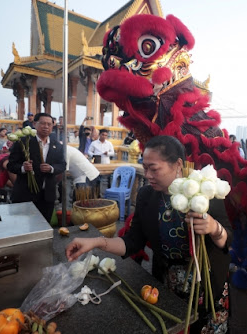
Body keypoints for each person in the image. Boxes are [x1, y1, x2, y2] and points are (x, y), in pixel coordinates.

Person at [66, 135, 233, 333]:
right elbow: (132, 242)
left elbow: (229, 241)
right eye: (145, 168)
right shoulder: (147, 195)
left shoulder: (204, 191)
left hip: (207, 284)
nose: (147, 175)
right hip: (167, 283)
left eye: (154, 169)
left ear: (178, 164)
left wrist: (214, 228)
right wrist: (95, 242)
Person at [7, 112, 66, 222]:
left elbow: (62, 165)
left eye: (49, 124)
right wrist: (23, 168)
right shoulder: (23, 142)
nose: (46, 127)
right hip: (25, 194)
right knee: (24, 227)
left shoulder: (57, 145)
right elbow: (11, 165)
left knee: (44, 225)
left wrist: (51, 169)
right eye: (43, 123)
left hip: (47, 195)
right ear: (34, 124)